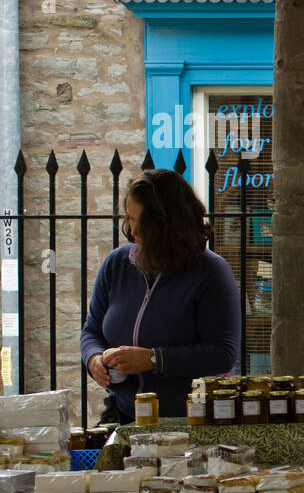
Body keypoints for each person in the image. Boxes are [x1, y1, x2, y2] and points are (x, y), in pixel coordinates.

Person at [81, 169, 241, 422]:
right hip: (124, 414)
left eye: (139, 223)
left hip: (189, 419)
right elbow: (91, 330)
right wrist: (93, 359)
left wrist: (154, 359)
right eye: (129, 220)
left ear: (165, 226)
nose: (131, 232)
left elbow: (223, 353)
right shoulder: (116, 264)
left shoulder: (210, 272)